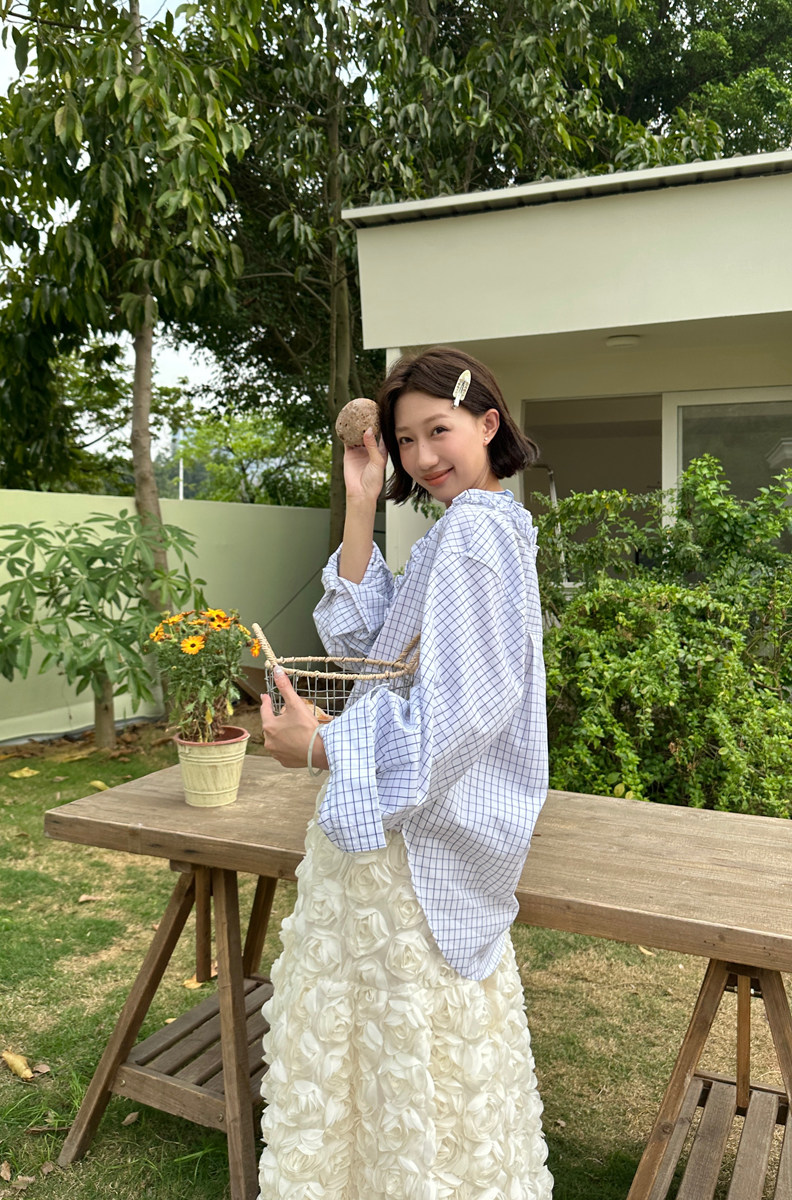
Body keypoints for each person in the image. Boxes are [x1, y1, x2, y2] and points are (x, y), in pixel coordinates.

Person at [257, 346, 553, 1199]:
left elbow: (462, 718)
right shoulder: (465, 530)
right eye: (406, 440)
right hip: (400, 841)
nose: (423, 457)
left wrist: (321, 748)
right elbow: (373, 649)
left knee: (399, 1061)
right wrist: (362, 503)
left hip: (410, 853)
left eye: (438, 431)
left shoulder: (474, 536)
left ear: (488, 424)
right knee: (413, 1063)